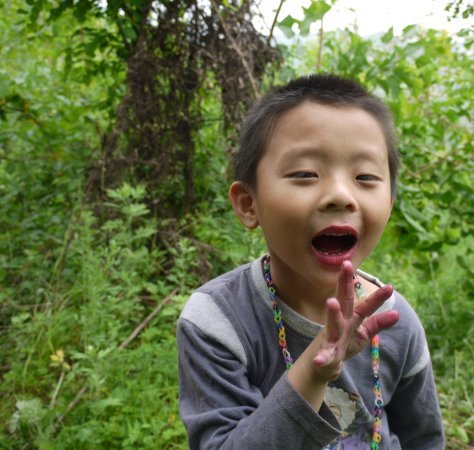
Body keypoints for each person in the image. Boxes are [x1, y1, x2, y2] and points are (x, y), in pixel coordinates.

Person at [177, 74, 444, 449]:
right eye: (305, 174)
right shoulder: (217, 322)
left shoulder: (397, 324)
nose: (339, 195)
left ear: (388, 205)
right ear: (249, 204)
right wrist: (314, 372)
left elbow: (424, 438)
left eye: (365, 176)